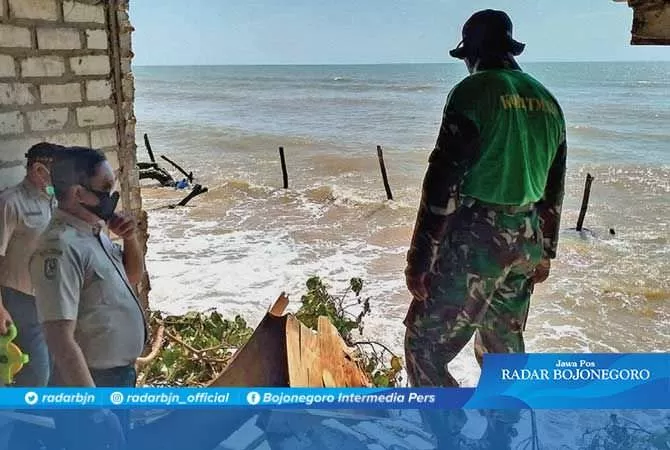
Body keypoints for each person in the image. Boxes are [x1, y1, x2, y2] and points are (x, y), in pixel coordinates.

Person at [403, 8, 566, 389]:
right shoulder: (547, 100)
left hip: (478, 239)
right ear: (509, 50)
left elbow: (442, 184)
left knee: (424, 346)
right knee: (503, 351)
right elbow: (553, 191)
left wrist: (420, 259)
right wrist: (545, 253)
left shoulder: (472, 92)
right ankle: (505, 433)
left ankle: (447, 433)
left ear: (472, 54)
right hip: (527, 238)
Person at [29, 147, 148, 448]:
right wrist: (94, 408)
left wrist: (130, 238)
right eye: (106, 188)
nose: (113, 195)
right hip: (91, 385)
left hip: (116, 379)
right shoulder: (60, 248)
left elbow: (132, 277)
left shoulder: (94, 233)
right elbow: (59, 337)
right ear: (80, 193)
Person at [0, 142, 67, 386]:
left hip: (51, 299)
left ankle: (41, 421)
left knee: (54, 369)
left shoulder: (54, 201)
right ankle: (22, 421)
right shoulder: (10, 203)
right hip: (20, 300)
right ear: (39, 170)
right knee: (37, 373)